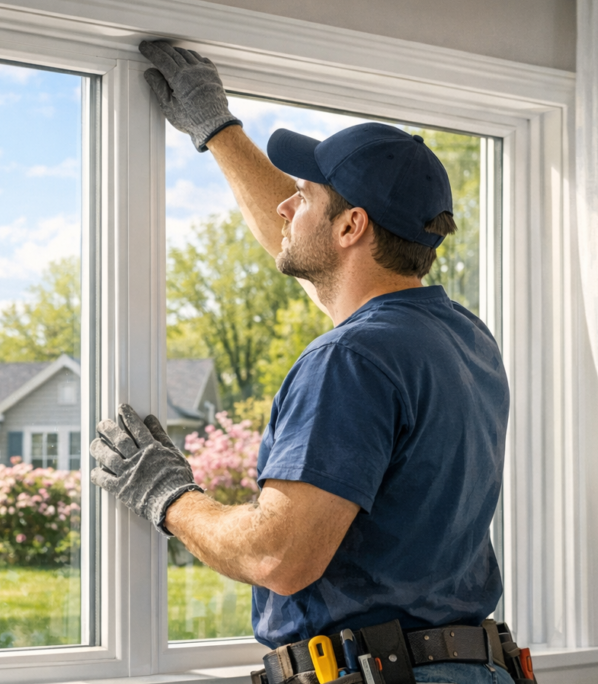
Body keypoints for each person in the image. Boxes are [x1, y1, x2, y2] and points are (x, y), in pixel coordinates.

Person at [88, 41, 514, 684]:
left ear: (351, 229)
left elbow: (279, 557)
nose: (286, 204)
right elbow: (315, 268)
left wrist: (168, 495)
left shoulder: (352, 358)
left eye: (305, 194)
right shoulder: (459, 338)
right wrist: (218, 130)